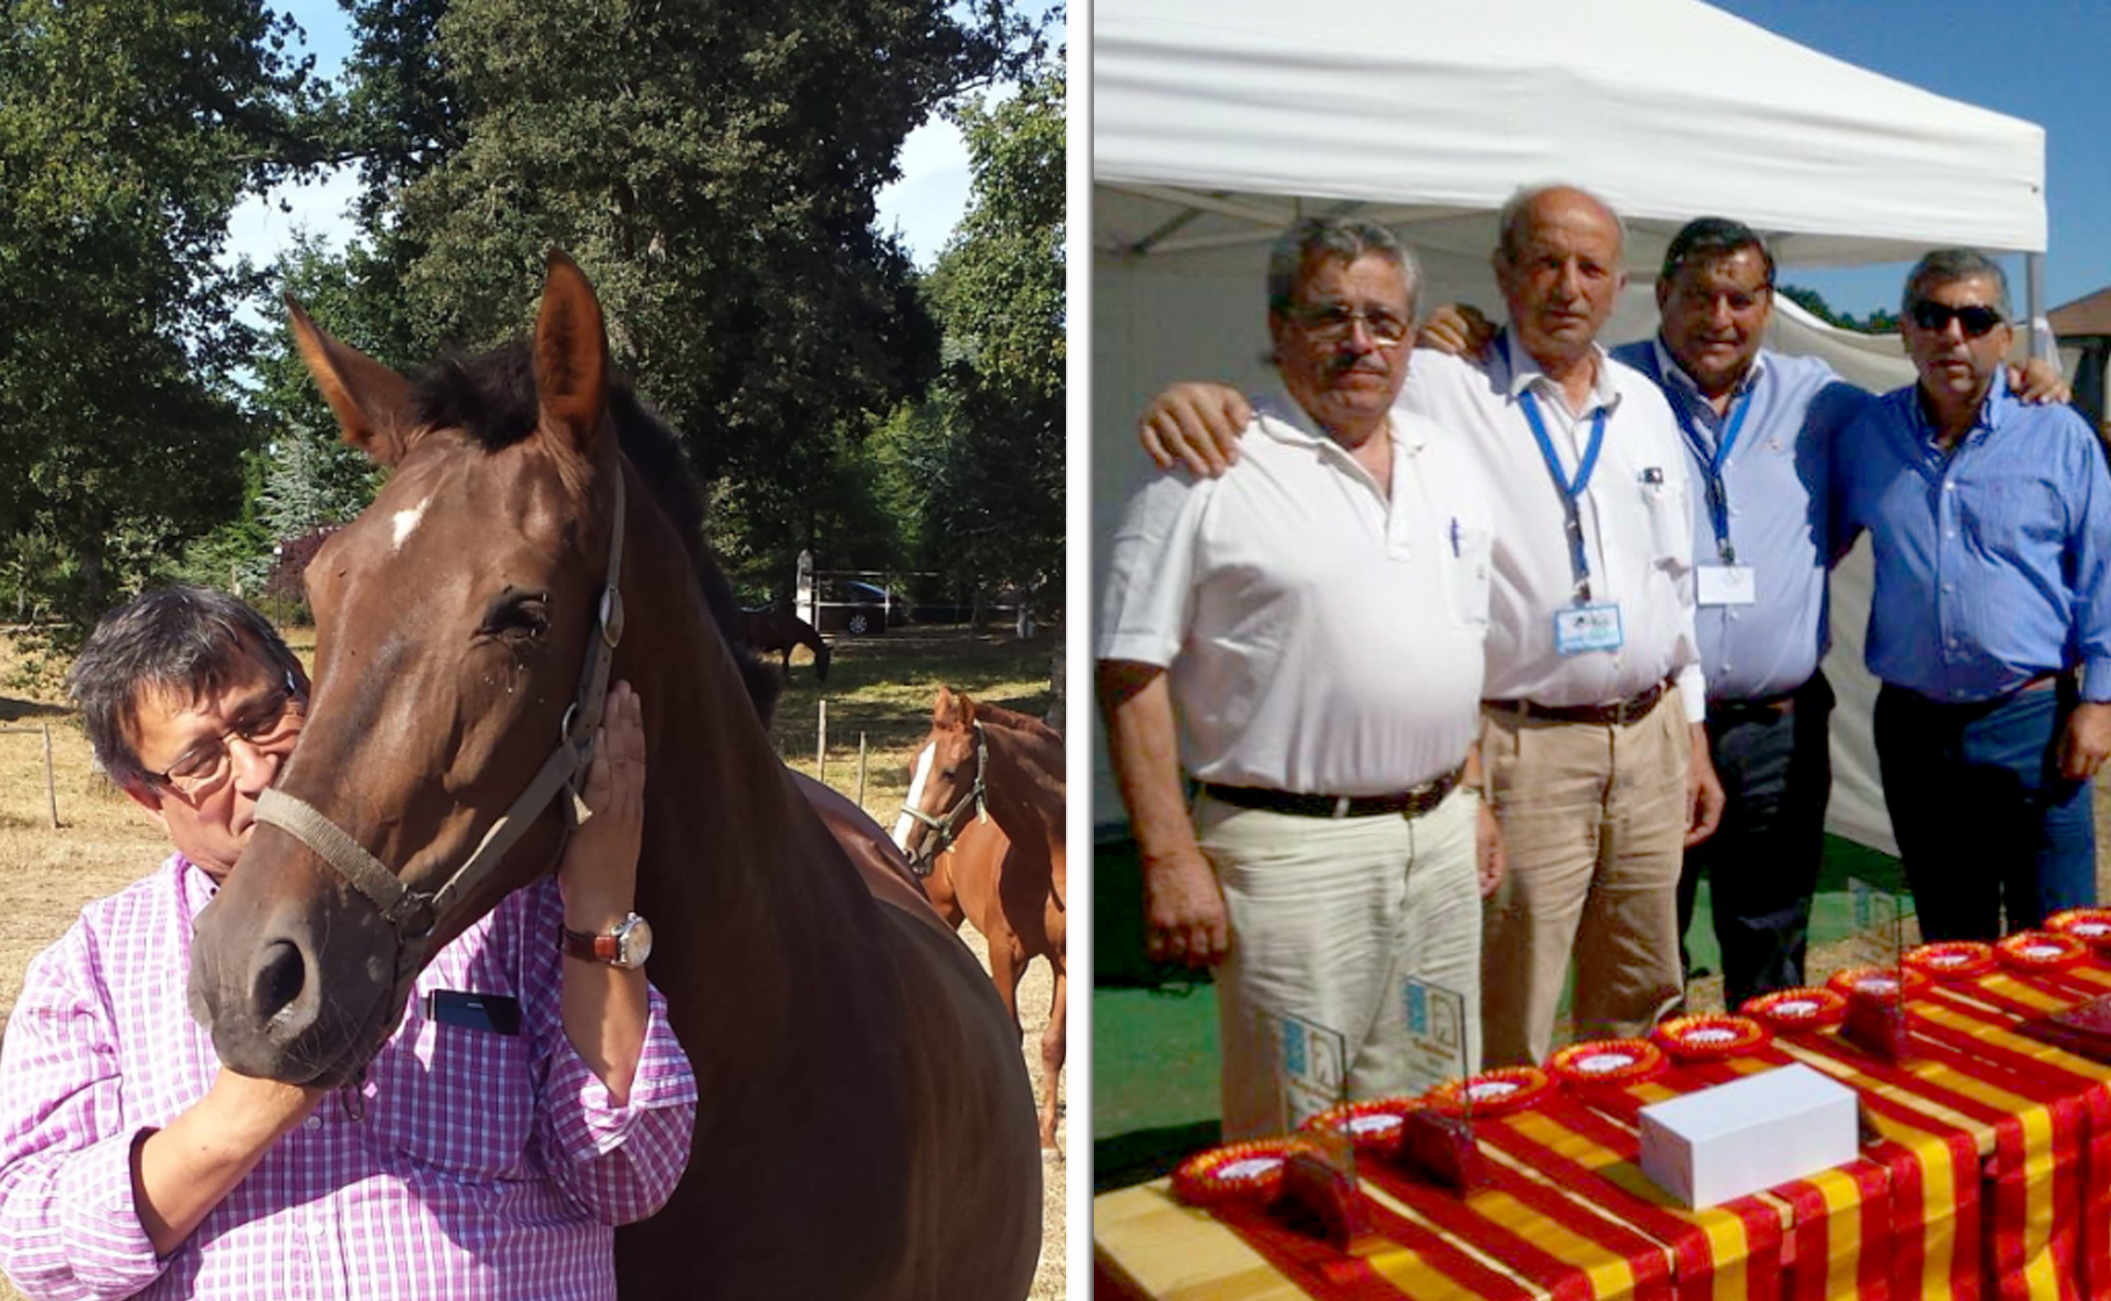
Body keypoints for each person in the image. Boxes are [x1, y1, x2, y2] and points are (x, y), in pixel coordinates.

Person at [1138, 184, 1724, 1069]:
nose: (1567, 286)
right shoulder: (1439, 383)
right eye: (1543, 261)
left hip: (1648, 739)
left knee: (1642, 986)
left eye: (1590, 267)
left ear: (1618, 286)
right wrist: (1195, 396)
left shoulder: (1643, 404)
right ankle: (1512, 1174)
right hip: (1524, 745)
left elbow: (1671, 583)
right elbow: (1325, 379)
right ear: (1502, 272)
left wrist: (1692, 731)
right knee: (1508, 1002)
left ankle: (1623, 1170)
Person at [0, 585, 695, 1300]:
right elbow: (36, 1245)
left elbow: (629, 1174)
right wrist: (252, 1107)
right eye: (201, 759)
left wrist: (603, 909)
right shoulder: (94, 966)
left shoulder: (500, 914)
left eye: (265, 716)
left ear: (310, 691)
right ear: (146, 795)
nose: (257, 769)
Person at [1097, 217, 1502, 1140]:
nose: (1360, 343)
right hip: (1288, 855)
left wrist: (1471, 788)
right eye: (1331, 317)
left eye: (1382, 320)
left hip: (1439, 840)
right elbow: (1128, 668)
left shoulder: (1447, 463)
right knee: (1296, 1125)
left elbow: (1457, 638)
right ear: (1280, 327)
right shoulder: (1202, 466)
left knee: (1436, 1104)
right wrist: (1167, 858)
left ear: (1411, 334)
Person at [1834, 250, 2111, 941]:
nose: (1950, 334)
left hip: (2033, 723)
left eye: (1974, 316)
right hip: (1915, 733)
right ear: (1904, 329)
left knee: (2057, 946)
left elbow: (2103, 572)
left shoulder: (2057, 433)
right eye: (1931, 314)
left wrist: (2100, 702)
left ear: (2003, 337)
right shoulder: (1862, 435)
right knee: (1950, 944)